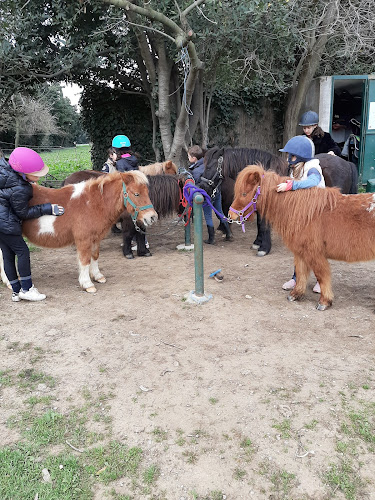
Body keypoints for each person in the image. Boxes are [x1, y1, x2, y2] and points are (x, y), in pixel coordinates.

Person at [0, 147, 64, 302]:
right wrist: (47, 208)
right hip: (6, 223)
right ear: (23, 172)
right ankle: (27, 289)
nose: (39, 177)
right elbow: (24, 213)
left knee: (8, 255)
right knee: (22, 252)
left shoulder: (4, 172)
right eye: (36, 174)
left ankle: (16, 291)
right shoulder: (21, 188)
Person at [277, 135, 325, 293]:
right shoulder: (295, 169)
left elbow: (313, 182)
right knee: (298, 248)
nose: (289, 158)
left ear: (300, 155)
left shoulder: (312, 167)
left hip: (317, 215)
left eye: (292, 155)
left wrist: (291, 185)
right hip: (303, 216)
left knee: (315, 249)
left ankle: (321, 280)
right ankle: (296, 278)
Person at [188, 145, 233, 244]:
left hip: (206, 194)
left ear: (194, 158)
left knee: (208, 215)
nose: (188, 158)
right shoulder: (209, 163)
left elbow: (196, 184)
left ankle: (211, 239)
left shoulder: (195, 171)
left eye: (189, 156)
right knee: (219, 212)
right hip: (216, 192)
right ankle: (228, 233)